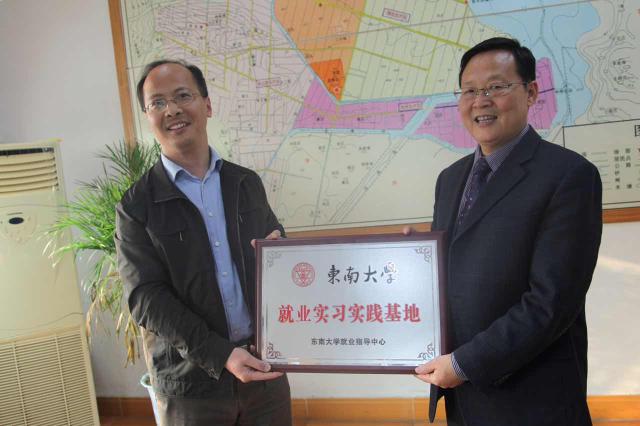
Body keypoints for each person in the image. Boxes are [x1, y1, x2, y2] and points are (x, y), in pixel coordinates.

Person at [414, 38, 603, 425]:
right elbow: (453, 274)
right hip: (464, 400)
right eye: (469, 91)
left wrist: (464, 364)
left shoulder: (568, 175)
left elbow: (550, 303)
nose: (480, 101)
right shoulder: (449, 179)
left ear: (531, 92)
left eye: (496, 87)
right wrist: (410, 261)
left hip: (532, 401)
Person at [115, 59, 292, 425]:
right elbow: (145, 297)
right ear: (148, 116)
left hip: (264, 370)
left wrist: (281, 251)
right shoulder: (136, 206)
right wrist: (220, 354)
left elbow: (274, 241)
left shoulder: (245, 183)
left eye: (183, 96)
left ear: (207, 105)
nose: (172, 110)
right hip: (190, 385)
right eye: (158, 102)